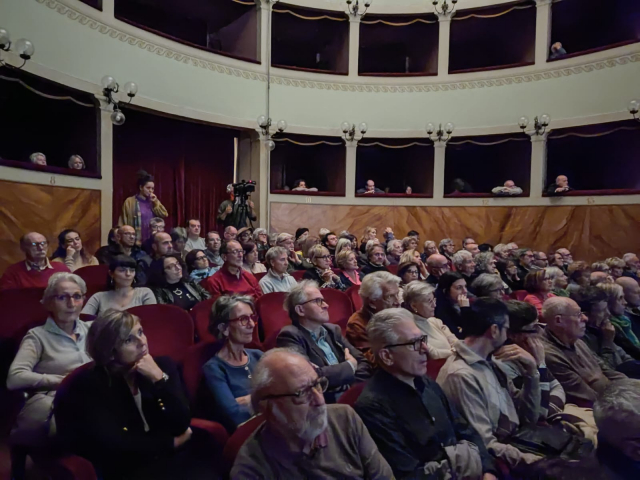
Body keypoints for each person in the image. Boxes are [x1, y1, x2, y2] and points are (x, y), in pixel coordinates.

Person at [54, 310, 211, 480]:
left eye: (140, 332)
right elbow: (114, 445)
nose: (142, 342)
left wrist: (159, 380)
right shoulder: (89, 384)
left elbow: (181, 422)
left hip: (168, 458)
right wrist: (170, 443)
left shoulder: (161, 366)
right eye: (129, 340)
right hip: (127, 468)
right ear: (110, 351)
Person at [355, 308, 497, 480]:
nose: (425, 348)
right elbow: (408, 474)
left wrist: (488, 470)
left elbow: (465, 430)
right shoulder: (372, 406)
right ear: (387, 356)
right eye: (414, 343)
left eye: (422, 339)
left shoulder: (426, 381)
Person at [230, 348, 393, 478]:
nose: (319, 401)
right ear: (266, 407)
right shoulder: (251, 470)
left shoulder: (345, 418)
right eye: (301, 393)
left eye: (317, 385)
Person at [437, 298, 544, 470]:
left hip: (520, 442)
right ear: (494, 330)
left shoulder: (492, 361)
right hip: (503, 460)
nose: (508, 334)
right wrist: (538, 462)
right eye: (506, 328)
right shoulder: (461, 375)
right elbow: (485, 443)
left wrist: (532, 373)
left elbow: (529, 418)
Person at [7, 273, 92, 446]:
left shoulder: (93, 329)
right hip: (58, 398)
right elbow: (14, 378)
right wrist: (60, 381)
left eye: (77, 296)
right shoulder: (37, 336)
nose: (71, 304)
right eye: (62, 297)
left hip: (94, 393)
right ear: (49, 302)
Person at [276, 281, 371, 402]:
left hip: (354, 395)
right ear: (300, 310)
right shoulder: (290, 336)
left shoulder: (333, 330)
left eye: (323, 300)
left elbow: (363, 362)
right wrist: (350, 366)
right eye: (318, 301)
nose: (326, 305)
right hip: (324, 404)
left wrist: (347, 385)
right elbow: (308, 378)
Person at [541, 297, 627, 407]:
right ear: (559, 320)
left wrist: (633, 388)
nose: (585, 318)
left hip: (615, 397)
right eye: (578, 315)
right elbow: (588, 397)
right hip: (604, 409)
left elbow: (608, 371)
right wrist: (625, 402)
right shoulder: (550, 355)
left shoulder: (577, 341)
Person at [202, 295, 262, 432]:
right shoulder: (214, 368)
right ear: (224, 328)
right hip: (248, 436)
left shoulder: (258, 355)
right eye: (243, 319)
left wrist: (245, 400)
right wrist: (265, 397)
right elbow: (234, 414)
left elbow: (284, 392)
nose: (252, 324)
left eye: (252, 317)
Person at [572, 286, 640, 378]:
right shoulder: (581, 338)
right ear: (586, 315)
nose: (608, 313)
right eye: (602, 311)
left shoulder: (601, 328)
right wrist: (607, 342)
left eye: (607, 309)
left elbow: (624, 356)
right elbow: (608, 370)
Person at [347, 271, 401, 363]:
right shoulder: (357, 325)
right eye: (390, 296)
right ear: (372, 303)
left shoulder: (396, 314)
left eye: (397, 294)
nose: (398, 302)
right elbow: (373, 362)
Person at [82, 255, 156, 315]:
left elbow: (152, 320)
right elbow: (83, 319)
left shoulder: (145, 293)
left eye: (132, 270)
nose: (128, 274)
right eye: (122, 270)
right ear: (111, 273)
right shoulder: (99, 297)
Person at [403, 281, 458, 359]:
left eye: (434, 300)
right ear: (414, 306)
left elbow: (455, 342)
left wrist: (457, 350)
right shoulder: (410, 329)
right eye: (429, 302)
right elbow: (433, 354)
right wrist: (456, 352)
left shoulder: (435, 321)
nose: (434, 305)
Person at [0, 232, 70, 290]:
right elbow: (7, 299)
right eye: (34, 244)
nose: (40, 248)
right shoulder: (13, 272)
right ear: (23, 248)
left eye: (43, 243)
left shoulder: (61, 269)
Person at [119, 170, 168, 244]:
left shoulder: (153, 201)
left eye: (152, 188)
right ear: (141, 187)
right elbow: (123, 221)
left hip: (152, 240)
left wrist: (155, 202)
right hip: (137, 240)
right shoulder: (130, 201)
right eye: (148, 188)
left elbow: (164, 214)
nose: (150, 191)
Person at [598, 282, 640, 360]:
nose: (625, 302)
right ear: (608, 301)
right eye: (620, 298)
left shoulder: (624, 321)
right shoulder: (608, 329)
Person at [435, 271, 471, 338]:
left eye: (465, 286)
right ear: (446, 291)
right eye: (459, 288)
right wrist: (465, 309)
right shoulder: (440, 311)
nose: (465, 291)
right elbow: (462, 335)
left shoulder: (467, 302)